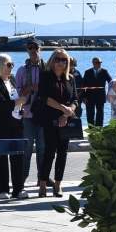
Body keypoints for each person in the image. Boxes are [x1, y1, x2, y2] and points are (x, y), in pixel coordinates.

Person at [36, 49, 79, 198]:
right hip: (49, 120)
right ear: (52, 60)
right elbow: (44, 98)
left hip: (65, 120)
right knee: (49, 152)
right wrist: (63, 109)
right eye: (57, 59)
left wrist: (66, 114)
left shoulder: (70, 78)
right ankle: (42, 183)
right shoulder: (45, 76)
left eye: (64, 60)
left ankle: (58, 184)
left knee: (62, 153)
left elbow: (75, 100)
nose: (60, 62)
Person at [0, 53, 26, 200]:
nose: (11, 68)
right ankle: (2, 189)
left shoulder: (13, 81)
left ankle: (19, 188)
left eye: (12, 65)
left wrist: (20, 108)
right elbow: (1, 104)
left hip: (16, 124)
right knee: (1, 158)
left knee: (17, 157)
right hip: (0, 126)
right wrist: (18, 102)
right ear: (0, 66)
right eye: (9, 65)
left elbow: (14, 100)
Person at [16, 39, 45, 189]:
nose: (33, 50)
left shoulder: (48, 69)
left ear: (41, 49)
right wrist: (32, 87)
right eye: (30, 47)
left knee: (42, 150)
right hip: (26, 115)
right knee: (25, 150)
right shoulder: (21, 70)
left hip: (44, 116)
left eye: (36, 47)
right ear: (27, 50)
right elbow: (18, 92)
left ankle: (42, 181)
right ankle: (21, 181)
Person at [81, 57, 111, 127]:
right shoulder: (87, 72)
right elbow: (83, 85)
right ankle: (91, 129)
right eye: (98, 63)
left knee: (100, 113)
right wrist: (84, 96)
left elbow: (110, 82)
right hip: (89, 97)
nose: (99, 64)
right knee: (90, 114)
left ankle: (99, 129)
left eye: (100, 62)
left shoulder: (104, 72)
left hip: (100, 96)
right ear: (93, 63)